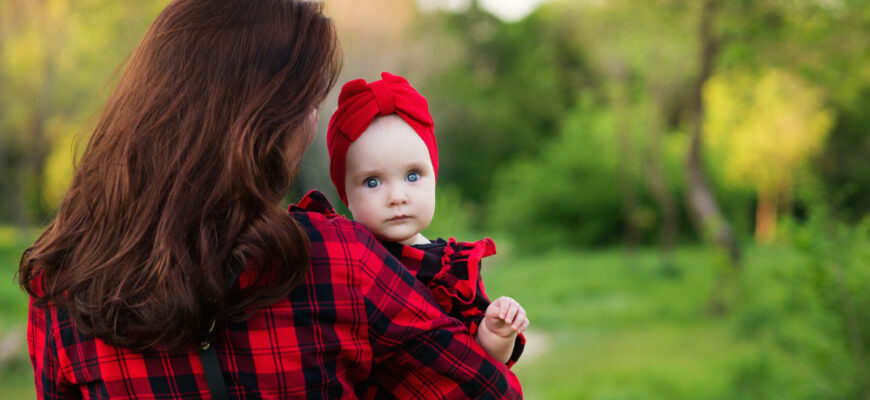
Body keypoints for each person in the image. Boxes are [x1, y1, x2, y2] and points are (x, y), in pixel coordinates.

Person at [17, 1, 523, 398]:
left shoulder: (63, 282)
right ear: (263, 122)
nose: (312, 123)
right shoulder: (332, 260)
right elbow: (485, 392)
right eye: (307, 104)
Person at [324, 72, 529, 368]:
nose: (397, 197)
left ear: (434, 177)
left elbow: (485, 363)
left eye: (412, 176)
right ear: (345, 194)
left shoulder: (454, 270)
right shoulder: (343, 264)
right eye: (372, 182)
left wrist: (497, 332)